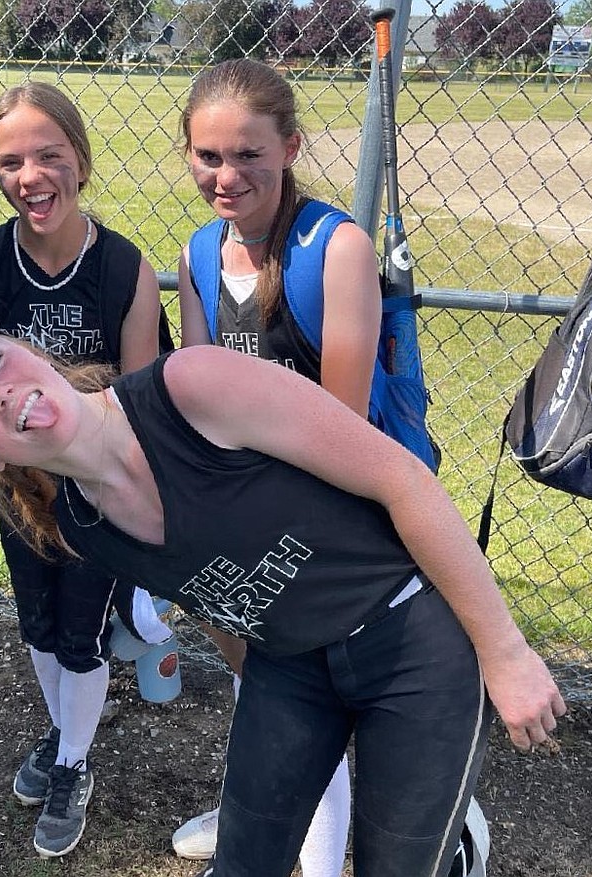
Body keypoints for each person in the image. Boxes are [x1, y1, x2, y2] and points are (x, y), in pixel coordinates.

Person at [0, 311, 566, 877]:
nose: (0, 394)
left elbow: (404, 480)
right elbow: (199, 591)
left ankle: (452, 843)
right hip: (290, 665)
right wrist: (267, 703)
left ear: (28, 350)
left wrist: (504, 652)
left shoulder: (191, 387)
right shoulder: (79, 519)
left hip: (409, 636)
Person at [0, 81, 165, 858]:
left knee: (81, 635)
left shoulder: (124, 268)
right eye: (10, 161)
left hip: (96, 488)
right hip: (18, 485)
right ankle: (65, 733)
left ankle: (73, 761)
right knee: (36, 623)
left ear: (80, 159)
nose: (30, 176)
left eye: (49, 155)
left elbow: (142, 405)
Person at [173, 57, 382, 876]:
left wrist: (256, 531)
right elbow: (198, 401)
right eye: (209, 157)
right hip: (244, 503)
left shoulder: (336, 247)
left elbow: (343, 430)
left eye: (249, 155)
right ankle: (258, 803)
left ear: (291, 146)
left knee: (302, 693)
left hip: (327, 506)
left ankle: (324, 859)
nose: (228, 177)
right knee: (254, 681)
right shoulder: (198, 251)